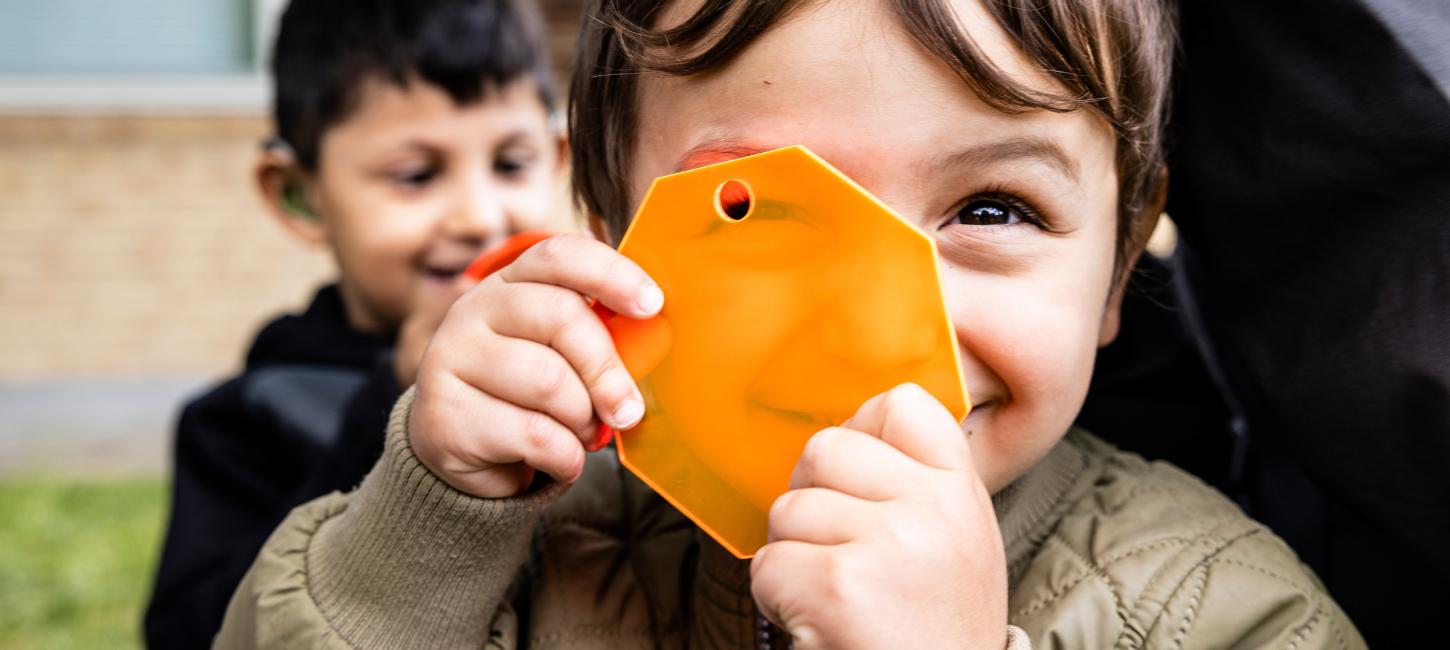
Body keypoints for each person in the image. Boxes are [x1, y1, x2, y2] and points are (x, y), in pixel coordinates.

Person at [215, 0, 1366, 647]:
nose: (875, 326)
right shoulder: (527, 551)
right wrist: (429, 522)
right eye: (755, 210)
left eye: (991, 208)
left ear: (1115, 263)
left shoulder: (1215, 607)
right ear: (612, 237)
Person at [144, 0, 565, 646]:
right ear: (297, 193)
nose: (480, 216)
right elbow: (194, 632)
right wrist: (396, 395)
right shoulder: (243, 422)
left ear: (558, 157)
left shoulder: (587, 369)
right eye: (416, 175)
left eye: (511, 163)